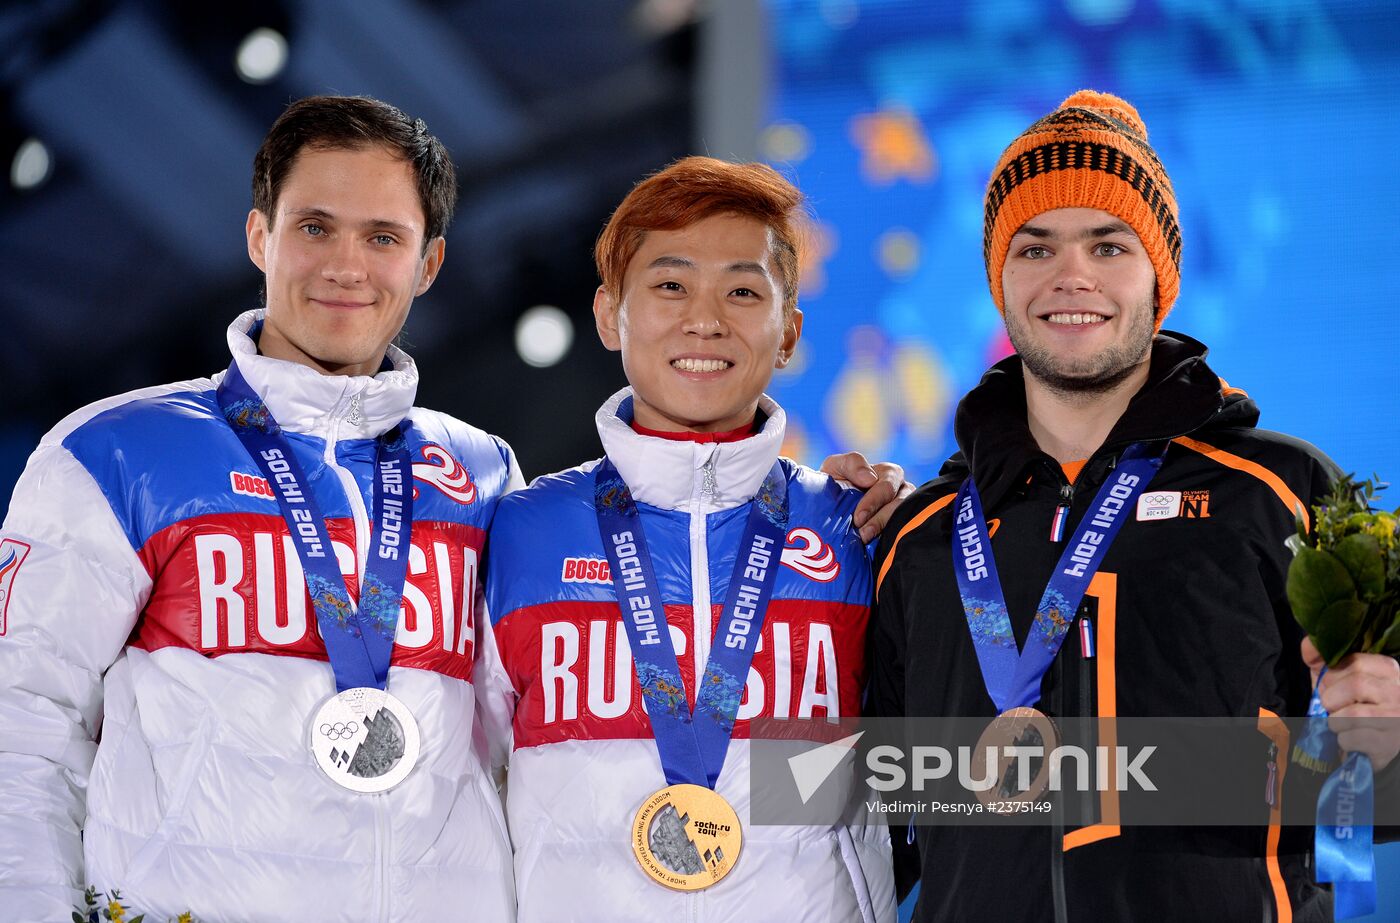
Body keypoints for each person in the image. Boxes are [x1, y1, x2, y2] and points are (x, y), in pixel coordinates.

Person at [870, 90, 1400, 921]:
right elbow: (860, 818)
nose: (1070, 275)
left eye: (1108, 244)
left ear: (1162, 276)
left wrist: (1390, 744)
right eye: (1035, 247)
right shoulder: (921, 535)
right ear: (998, 281)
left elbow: (1374, 793)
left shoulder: (1284, 495)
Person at [0, 95, 525, 921]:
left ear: (428, 264)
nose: (347, 266)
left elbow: (528, 742)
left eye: (383, 237)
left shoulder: (483, 473)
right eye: (315, 227)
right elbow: (21, 717)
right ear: (260, 237)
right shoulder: (118, 451)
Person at [480, 156, 900, 922]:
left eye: (743, 291)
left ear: (789, 333)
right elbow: (455, 785)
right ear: (611, 315)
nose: (705, 320)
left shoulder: (858, 529)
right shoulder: (518, 531)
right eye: (671, 285)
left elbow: (943, 766)